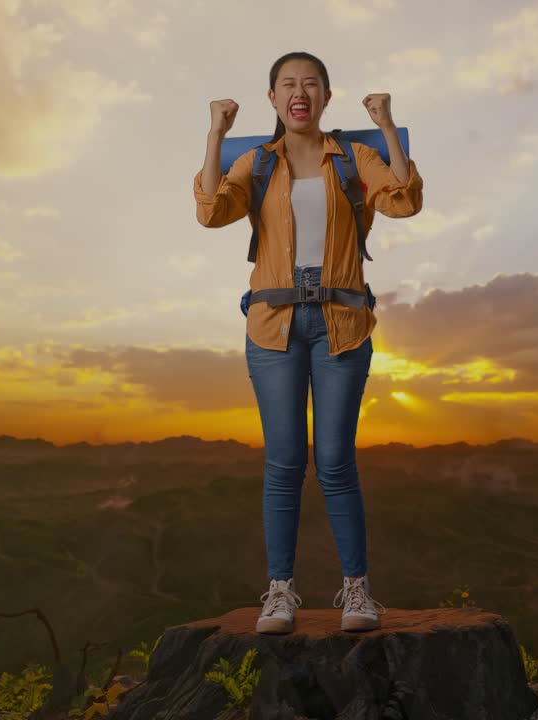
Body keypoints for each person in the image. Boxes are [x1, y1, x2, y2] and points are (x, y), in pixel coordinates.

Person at [193, 51, 423, 634]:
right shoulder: (255, 163)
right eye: (288, 85)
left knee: (335, 462)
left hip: (342, 325)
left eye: (311, 84)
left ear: (325, 96)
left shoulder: (354, 156)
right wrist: (215, 133)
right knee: (284, 462)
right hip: (273, 327)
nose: (300, 92)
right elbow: (212, 212)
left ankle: (356, 592)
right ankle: (280, 592)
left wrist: (389, 124)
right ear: (273, 99)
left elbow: (403, 199)